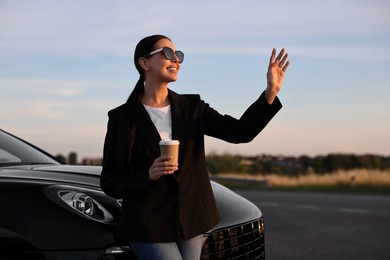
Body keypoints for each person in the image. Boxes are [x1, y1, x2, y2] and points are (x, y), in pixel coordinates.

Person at [100, 34, 290, 260]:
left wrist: (270, 93)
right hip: (148, 224)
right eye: (168, 53)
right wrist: (148, 175)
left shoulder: (192, 107)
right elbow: (110, 181)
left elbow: (240, 132)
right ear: (144, 63)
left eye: (178, 55)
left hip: (191, 220)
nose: (176, 60)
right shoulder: (122, 118)